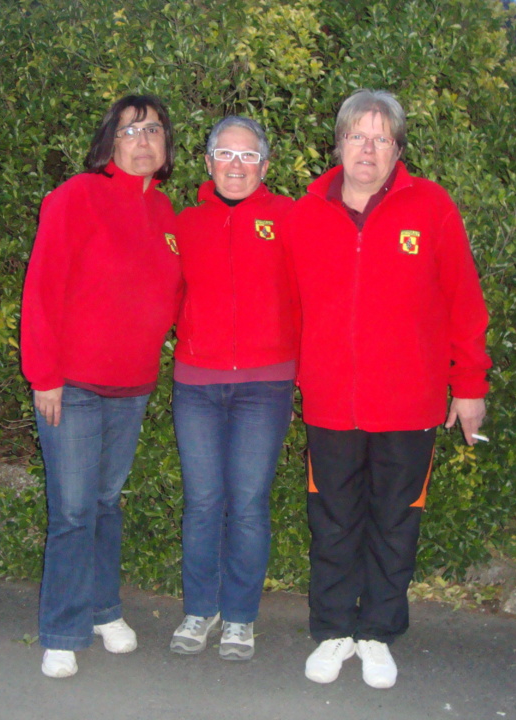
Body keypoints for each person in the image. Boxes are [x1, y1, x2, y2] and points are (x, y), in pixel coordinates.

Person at [282, 90, 491, 689]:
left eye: (380, 138)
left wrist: (468, 383)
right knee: (334, 521)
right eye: (356, 136)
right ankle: (332, 632)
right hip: (330, 403)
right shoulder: (307, 213)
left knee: (395, 522)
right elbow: (291, 307)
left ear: (398, 147)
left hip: (410, 403)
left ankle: (376, 633)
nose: (366, 149)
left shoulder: (430, 207)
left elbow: (463, 300)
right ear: (339, 143)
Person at [20, 95, 182, 679]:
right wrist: (45, 375)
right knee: (71, 511)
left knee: (106, 503)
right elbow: (41, 289)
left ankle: (103, 609)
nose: (144, 140)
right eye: (131, 129)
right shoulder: (76, 197)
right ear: (110, 141)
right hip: (75, 385)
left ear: (166, 148)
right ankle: (62, 630)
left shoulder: (166, 214)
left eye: (155, 131)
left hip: (132, 386)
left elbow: (178, 298)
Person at [168, 116, 296, 661]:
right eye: (226, 154)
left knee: (246, 504)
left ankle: (240, 617)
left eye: (248, 157)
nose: (236, 166)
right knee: (202, 502)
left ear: (265, 166)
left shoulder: (290, 218)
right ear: (208, 162)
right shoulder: (184, 224)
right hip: (196, 383)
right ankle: (201, 609)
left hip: (266, 385)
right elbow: (163, 295)